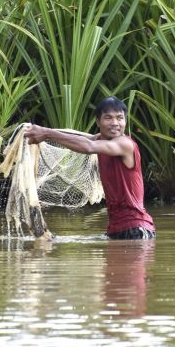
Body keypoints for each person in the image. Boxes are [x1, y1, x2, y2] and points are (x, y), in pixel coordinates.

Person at [24, 96, 156, 240]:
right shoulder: (101, 139)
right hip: (116, 229)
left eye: (120, 118)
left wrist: (46, 133)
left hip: (136, 228)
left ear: (125, 121)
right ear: (98, 121)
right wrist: (40, 132)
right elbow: (82, 138)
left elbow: (89, 146)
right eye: (108, 118)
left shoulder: (125, 144)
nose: (115, 123)